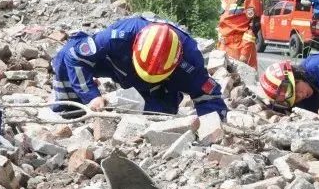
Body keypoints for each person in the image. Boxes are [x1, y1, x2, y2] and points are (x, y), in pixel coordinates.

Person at [50, 15, 228, 118]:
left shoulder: (190, 64)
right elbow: (76, 56)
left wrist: (212, 134)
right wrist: (91, 95)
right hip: (120, 64)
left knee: (159, 118)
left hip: (158, 87)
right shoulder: (118, 37)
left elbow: (208, 96)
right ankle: (69, 109)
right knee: (65, 54)